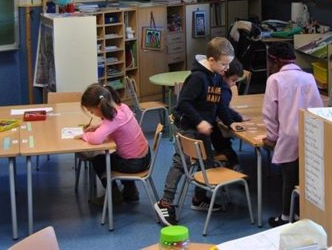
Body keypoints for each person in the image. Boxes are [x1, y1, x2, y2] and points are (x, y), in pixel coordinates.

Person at [154, 37, 241, 226]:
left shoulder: (217, 77)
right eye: (224, 64)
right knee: (181, 162)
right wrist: (200, 120)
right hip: (187, 125)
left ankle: (198, 199)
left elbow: (218, 104)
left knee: (207, 162)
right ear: (211, 60)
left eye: (228, 64)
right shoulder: (198, 78)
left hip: (201, 127)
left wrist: (230, 122)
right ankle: (165, 202)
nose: (227, 68)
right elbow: (183, 103)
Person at [262, 41, 323, 227]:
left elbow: (270, 113)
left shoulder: (274, 80)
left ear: (274, 61)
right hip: (310, 134)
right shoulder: (309, 78)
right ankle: (300, 214)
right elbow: (318, 107)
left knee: (289, 179)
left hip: (287, 136)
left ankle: (286, 217)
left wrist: (271, 137)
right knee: (306, 178)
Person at [79, 83, 150, 206]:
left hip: (134, 163)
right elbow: (113, 126)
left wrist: (84, 136)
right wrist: (98, 126)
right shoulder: (122, 108)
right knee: (117, 156)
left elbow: (96, 139)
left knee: (99, 161)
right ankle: (130, 191)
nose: (93, 114)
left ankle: (113, 196)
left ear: (99, 106)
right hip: (145, 157)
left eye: (92, 111)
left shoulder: (112, 119)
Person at [210, 58, 246, 170]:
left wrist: (238, 117)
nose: (234, 84)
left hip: (207, 121)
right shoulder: (224, 89)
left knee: (222, 141)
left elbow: (221, 108)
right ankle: (234, 165)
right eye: (233, 80)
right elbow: (222, 108)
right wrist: (231, 122)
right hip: (208, 124)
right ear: (224, 75)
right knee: (225, 144)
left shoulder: (214, 82)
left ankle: (231, 163)